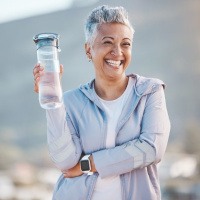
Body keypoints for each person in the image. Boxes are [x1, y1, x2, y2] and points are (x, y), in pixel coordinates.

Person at [33, 5, 170, 200]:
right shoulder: (71, 101)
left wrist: (88, 164)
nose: (117, 52)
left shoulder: (149, 91)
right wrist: (53, 100)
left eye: (125, 44)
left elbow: (151, 149)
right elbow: (65, 161)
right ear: (88, 49)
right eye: (108, 42)